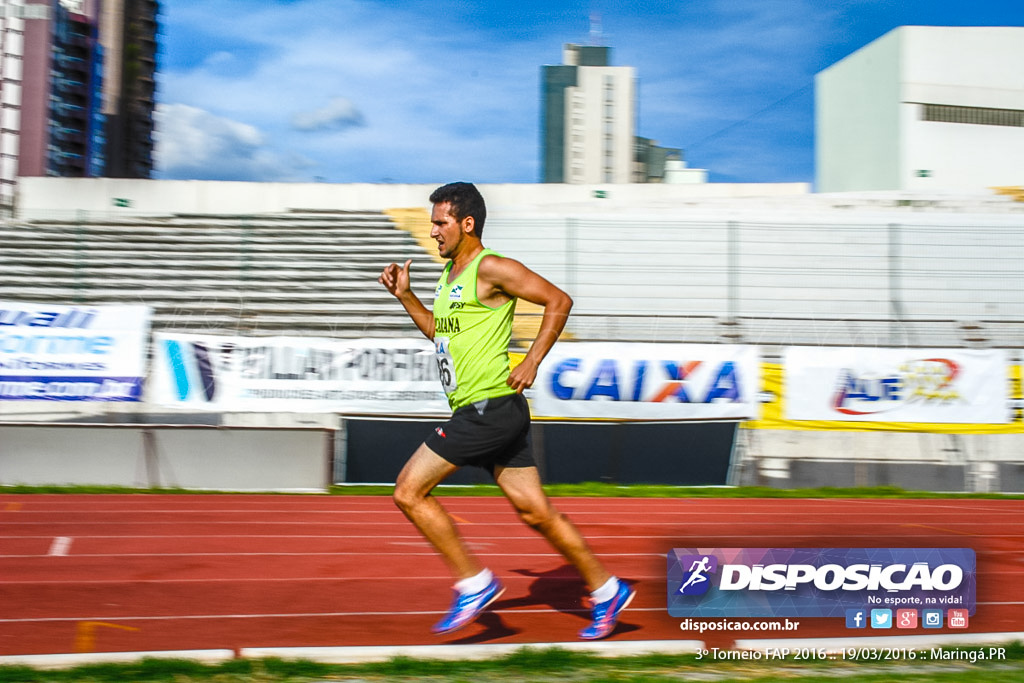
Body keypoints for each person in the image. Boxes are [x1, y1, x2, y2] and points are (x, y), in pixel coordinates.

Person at [378, 182, 635, 640]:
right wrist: (405, 296)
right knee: (537, 514)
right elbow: (442, 332)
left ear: (467, 223)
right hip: (492, 409)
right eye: (432, 222)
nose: (433, 231)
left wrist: (532, 359)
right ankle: (606, 589)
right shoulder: (449, 277)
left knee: (408, 492)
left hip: (488, 408)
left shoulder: (491, 266)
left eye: (440, 222)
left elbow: (559, 301)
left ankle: (474, 584)